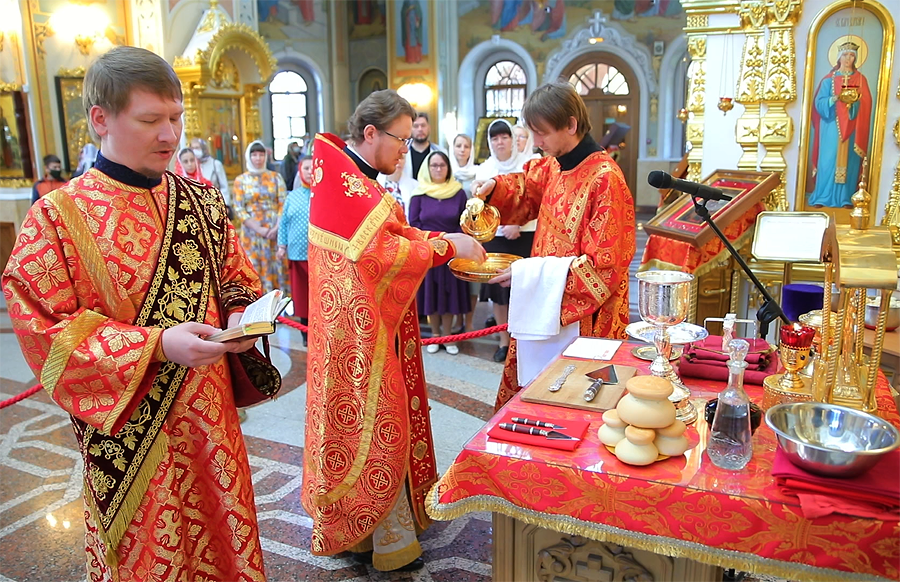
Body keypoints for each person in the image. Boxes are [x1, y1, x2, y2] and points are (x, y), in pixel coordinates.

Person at [2, 46, 267, 581]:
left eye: (175, 118)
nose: (171, 135)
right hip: (127, 436)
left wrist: (242, 318)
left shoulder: (202, 202)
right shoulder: (56, 217)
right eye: (151, 120)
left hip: (211, 421)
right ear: (101, 119)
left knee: (223, 538)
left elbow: (238, 279)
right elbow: (44, 331)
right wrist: (157, 345)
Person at [301, 89, 485, 573]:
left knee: (373, 427)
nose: (407, 149)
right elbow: (383, 257)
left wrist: (444, 241)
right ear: (370, 133)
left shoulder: (354, 180)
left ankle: (365, 534)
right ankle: (385, 538)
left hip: (368, 332)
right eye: (401, 139)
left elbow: (395, 236)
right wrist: (446, 246)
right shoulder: (346, 185)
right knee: (373, 432)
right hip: (358, 342)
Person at [472, 81, 636, 410]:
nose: (536, 142)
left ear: (571, 125)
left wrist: (529, 276)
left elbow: (603, 268)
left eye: (542, 133)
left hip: (589, 322)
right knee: (530, 400)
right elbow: (526, 191)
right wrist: (494, 189)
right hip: (542, 306)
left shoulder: (606, 180)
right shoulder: (553, 166)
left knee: (579, 409)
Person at [475, 119, 531, 362]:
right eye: (495, 138)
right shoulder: (485, 169)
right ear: (490, 142)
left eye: (505, 137)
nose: (500, 142)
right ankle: (503, 341)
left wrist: (518, 223)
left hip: (525, 234)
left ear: (512, 139)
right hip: (496, 237)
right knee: (499, 291)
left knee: (524, 289)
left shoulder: (527, 164)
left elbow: (533, 199)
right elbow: (480, 207)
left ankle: (524, 340)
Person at [408, 151, 470, 355]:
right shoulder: (419, 194)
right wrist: (432, 243)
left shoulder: (458, 192)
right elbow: (414, 225)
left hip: (452, 251)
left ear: (448, 168)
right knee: (431, 295)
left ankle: (448, 336)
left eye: (442, 165)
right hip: (429, 252)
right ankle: (435, 336)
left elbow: (464, 222)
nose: (438, 169)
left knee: (450, 294)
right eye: (434, 166)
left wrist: (453, 242)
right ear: (427, 168)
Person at [806, 41, 872, 209]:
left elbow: (866, 102)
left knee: (849, 162)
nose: (848, 58)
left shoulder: (860, 79)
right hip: (830, 126)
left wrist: (854, 103)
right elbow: (818, 103)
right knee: (828, 160)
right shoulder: (829, 80)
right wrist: (834, 99)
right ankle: (822, 195)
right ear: (839, 57)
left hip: (851, 127)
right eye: (845, 55)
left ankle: (846, 198)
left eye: (851, 55)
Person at [233, 140, 288, 292]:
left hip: (274, 231)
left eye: (261, 154)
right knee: (255, 268)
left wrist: (276, 227)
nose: (258, 158)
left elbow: (283, 203)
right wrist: (259, 229)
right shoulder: (241, 180)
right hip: (252, 234)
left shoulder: (275, 178)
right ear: (249, 157)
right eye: (254, 155)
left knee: (275, 267)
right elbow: (239, 208)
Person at [276, 155, 313, 343]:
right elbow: (283, 223)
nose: (310, 171)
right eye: (306, 168)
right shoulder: (292, 196)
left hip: (318, 256)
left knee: (317, 295)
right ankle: (305, 333)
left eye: (313, 167)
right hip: (296, 255)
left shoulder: (324, 194)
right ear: (300, 170)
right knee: (302, 296)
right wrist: (281, 245)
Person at [448, 133, 479, 333]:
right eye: (458, 145)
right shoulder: (446, 171)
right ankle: (456, 321)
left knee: (473, 279)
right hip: (453, 230)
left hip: (475, 231)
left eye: (466, 146)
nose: (462, 149)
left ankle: (469, 321)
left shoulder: (478, 173)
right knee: (456, 277)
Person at [403, 112, 443, 182]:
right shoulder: (402, 152)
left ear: (429, 128)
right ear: (410, 129)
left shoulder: (441, 152)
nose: (420, 129)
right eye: (416, 126)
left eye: (423, 125)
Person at [190, 137, 231, 204]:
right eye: (192, 148)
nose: (195, 151)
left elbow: (224, 187)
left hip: (215, 203)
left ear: (204, 148)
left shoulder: (215, 164)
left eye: (197, 148)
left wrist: (225, 204)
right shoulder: (192, 165)